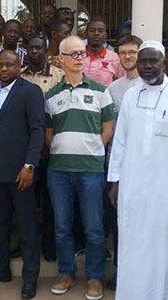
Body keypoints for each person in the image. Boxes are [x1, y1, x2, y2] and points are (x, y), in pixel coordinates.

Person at [45, 36, 116, 300]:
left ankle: (95, 278)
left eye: (81, 53)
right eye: (72, 54)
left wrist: (94, 147)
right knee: (62, 227)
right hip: (59, 171)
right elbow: (48, 133)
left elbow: (108, 127)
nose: (78, 58)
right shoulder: (52, 95)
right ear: (61, 59)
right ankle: (66, 273)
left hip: (90, 171)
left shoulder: (100, 90)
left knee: (94, 228)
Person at [0, 50, 45, 300]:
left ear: (19, 66)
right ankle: (0, 270)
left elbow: (38, 131)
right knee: (0, 225)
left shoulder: (30, 91)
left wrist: (29, 166)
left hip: (20, 173)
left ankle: (30, 279)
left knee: (26, 228)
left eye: (10, 65)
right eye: (1, 65)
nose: (4, 69)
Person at [108, 40, 168, 300]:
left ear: (163, 63)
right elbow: (120, 140)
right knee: (131, 238)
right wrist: (115, 181)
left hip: (162, 187)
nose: (146, 66)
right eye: (142, 61)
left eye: (152, 60)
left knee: (160, 241)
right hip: (132, 183)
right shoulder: (131, 95)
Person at [19, 34, 64, 262]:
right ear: (26, 49)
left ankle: (48, 244)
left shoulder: (58, 75)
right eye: (31, 47)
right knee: (25, 200)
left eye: (39, 48)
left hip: (49, 148)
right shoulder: (20, 76)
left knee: (49, 200)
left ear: (46, 50)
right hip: (25, 149)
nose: (35, 51)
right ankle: (24, 243)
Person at [105, 34, 142, 291]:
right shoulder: (113, 89)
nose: (127, 56)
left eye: (132, 52)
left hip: (146, 167)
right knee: (120, 222)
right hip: (118, 165)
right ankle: (121, 271)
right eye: (123, 52)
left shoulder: (156, 87)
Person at [84, 17, 124, 87]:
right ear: (86, 34)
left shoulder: (115, 58)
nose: (96, 33)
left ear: (105, 35)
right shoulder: (77, 56)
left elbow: (121, 83)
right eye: (92, 30)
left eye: (100, 31)